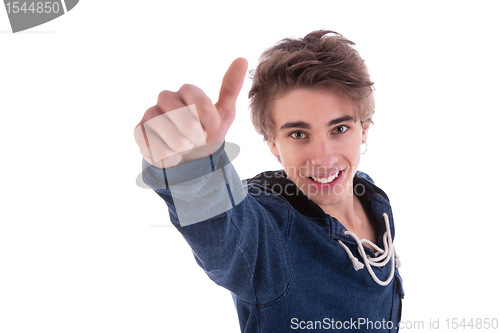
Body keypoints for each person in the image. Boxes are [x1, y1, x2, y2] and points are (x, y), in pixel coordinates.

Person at [134, 30, 404, 332]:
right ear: (273, 143)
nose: (323, 158)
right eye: (298, 134)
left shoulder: (372, 198)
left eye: (339, 129)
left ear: (364, 129)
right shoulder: (273, 231)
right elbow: (228, 235)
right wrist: (193, 167)